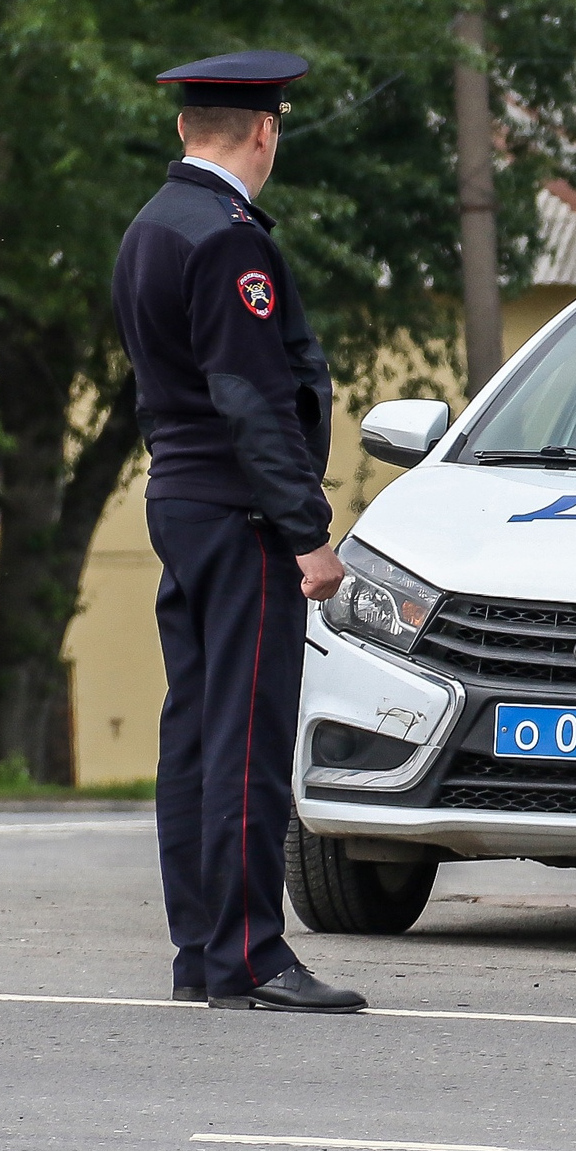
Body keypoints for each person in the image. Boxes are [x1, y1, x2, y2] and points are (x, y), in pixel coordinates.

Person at [112, 49, 364, 1014]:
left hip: (181, 500)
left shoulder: (152, 225)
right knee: (247, 739)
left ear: (186, 126)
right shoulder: (226, 237)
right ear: (266, 130)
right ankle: (253, 953)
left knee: (197, 734)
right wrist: (307, 532)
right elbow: (250, 397)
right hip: (239, 509)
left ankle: (202, 952)